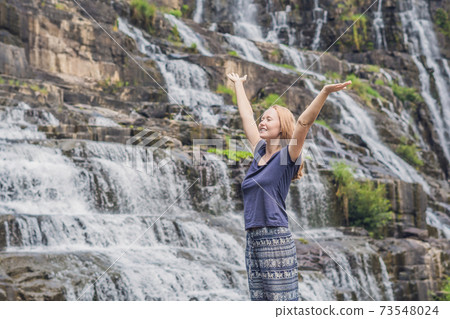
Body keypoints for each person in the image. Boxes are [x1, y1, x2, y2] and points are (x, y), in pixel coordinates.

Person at [226, 72, 351, 301]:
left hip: (275, 237)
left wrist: (324, 92)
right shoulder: (259, 152)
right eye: (262, 118)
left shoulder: (287, 156)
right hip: (252, 238)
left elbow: (304, 123)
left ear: (282, 126)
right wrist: (238, 85)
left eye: (268, 119)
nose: (262, 122)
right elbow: (246, 115)